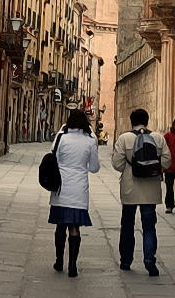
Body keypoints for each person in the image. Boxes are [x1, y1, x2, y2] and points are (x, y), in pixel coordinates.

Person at [111, 108, 171, 276]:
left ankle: (126, 260)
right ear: (147, 120)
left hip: (130, 188)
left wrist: (131, 168)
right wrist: (153, 168)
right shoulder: (158, 138)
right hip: (151, 189)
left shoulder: (124, 138)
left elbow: (117, 164)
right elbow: (167, 161)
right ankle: (149, 259)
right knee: (149, 226)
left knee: (127, 224)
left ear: (131, 121)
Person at [48, 109, 99, 278]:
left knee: (60, 225)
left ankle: (59, 261)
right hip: (79, 189)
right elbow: (94, 168)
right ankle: (72, 266)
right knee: (74, 227)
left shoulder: (61, 137)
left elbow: (53, 157)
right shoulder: (90, 141)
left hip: (61, 187)